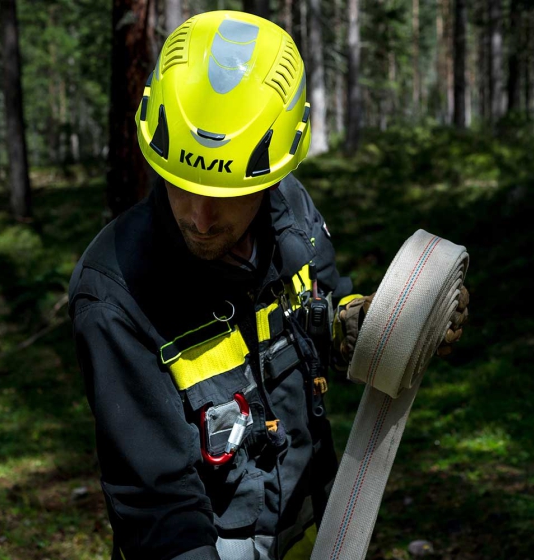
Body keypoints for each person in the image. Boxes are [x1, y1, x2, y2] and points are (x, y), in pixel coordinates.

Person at [68, 10, 468, 560]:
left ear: (273, 172)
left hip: (315, 529)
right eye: (184, 186)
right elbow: (157, 506)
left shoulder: (291, 213)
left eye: (228, 193)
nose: (201, 219)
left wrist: (370, 325)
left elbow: (318, 314)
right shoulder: (116, 295)